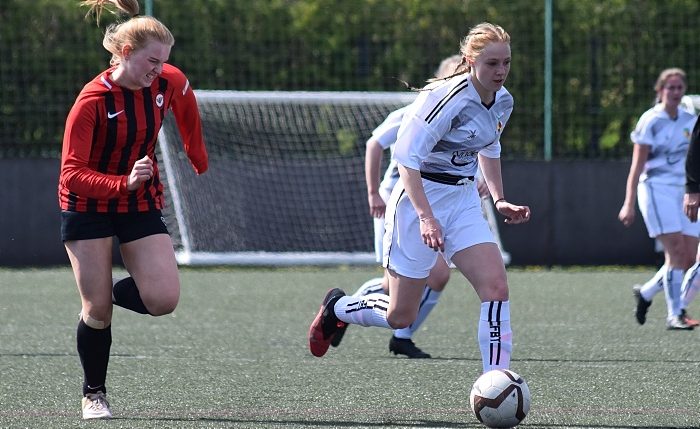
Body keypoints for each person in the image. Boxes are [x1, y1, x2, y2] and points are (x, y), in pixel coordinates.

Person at [309, 22, 530, 375]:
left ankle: (497, 379)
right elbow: (406, 160)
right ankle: (338, 308)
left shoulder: (503, 101)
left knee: (496, 287)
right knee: (400, 315)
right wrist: (427, 217)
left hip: (462, 201)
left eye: (506, 62)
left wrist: (500, 199)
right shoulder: (443, 99)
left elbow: (490, 146)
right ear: (469, 60)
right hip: (416, 202)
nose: (501, 71)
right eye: (492, 63)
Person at [60, 0, 208, 419]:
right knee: (98, 314)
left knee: (162, 299)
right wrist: (121, 182)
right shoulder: (91, 101)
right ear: (126, 53)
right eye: (151, 61)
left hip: (138, 199)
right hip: (87, 203)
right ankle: (94, 394)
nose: (158, 70)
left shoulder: (166, 81)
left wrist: (197, 155)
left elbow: (186, 103)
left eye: (163, 62)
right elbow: (71, 174)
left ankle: (100, 292)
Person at [331, 56, 494, 359]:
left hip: (440, 207)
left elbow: (477, 149)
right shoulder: (415, 112)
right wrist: (373, 193)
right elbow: (375, 143)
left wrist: (483, 181)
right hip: (402, 204)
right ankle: (341, 309)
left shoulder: (473, 114)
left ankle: (402, 336)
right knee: (391, 285)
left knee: (439, 277)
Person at [619, 68, 698, 330]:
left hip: (685, 191)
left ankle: (646, 292)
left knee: (687, 258)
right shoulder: (650, 120)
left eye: (679, 88)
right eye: (670, 88)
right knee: (675, 252)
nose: (675, 93)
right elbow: (637, 167)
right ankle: (675, 314)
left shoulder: (690, 120)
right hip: (657, 189)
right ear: (660, 91)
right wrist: (629, 203)